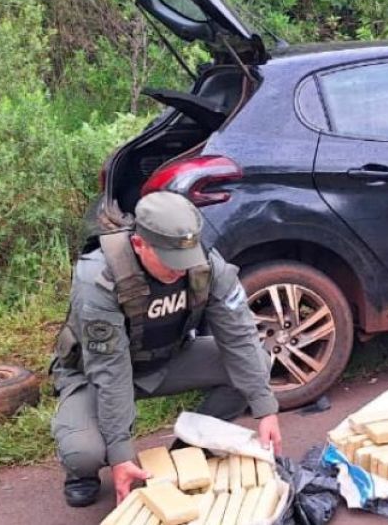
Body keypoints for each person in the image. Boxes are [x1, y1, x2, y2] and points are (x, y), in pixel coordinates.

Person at [50, 191, 281, 508]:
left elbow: (238, 335)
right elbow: (110, 370)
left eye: (185, 261)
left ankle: (188, 450)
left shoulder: (205, 265)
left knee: (257, 362)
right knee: (84, 453)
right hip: (95, 374)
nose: (179, 271)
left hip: (166, 358)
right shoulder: (99, 278)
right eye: (169, 261)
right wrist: (120, 453)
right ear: (139, 244)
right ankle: (82, 473)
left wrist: (265, 407)